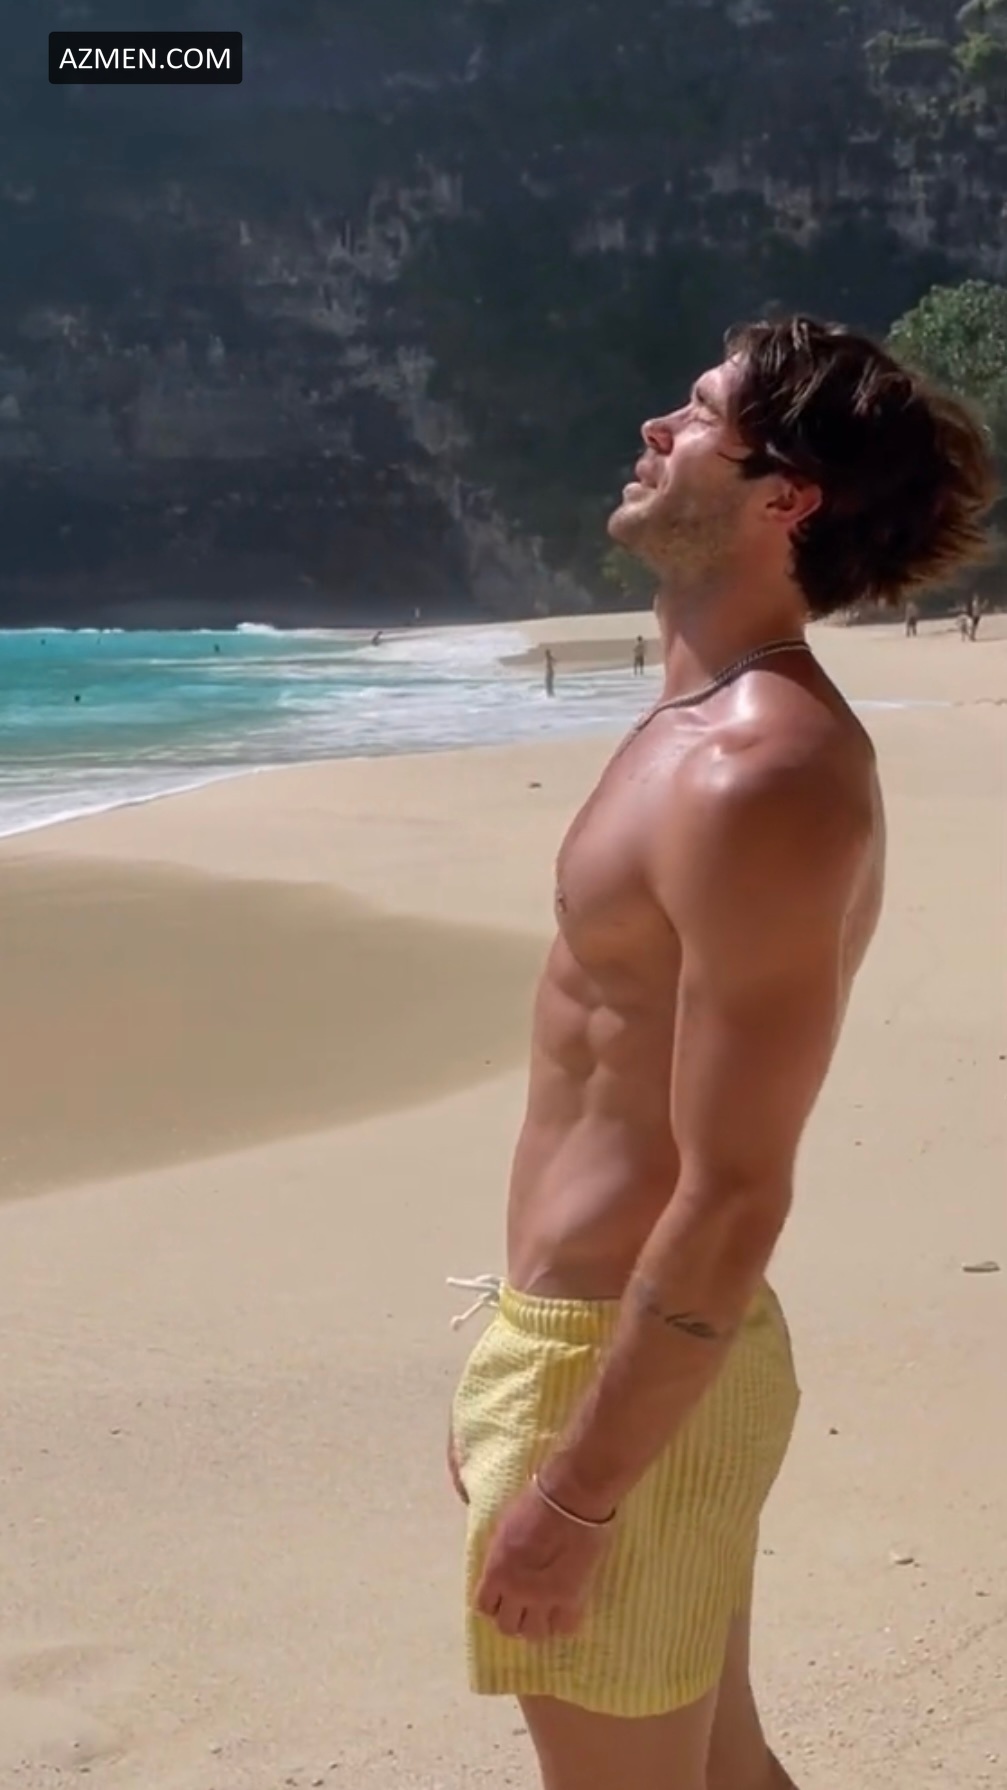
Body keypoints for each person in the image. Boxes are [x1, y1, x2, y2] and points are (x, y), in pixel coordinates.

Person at [447, 314, 994, 1790]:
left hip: (623, 1359)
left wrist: (579, 1487)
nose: (654, 429)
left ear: (785, 496)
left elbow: (738, 1186)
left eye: (696, 415)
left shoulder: (760, 769)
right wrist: (521, 1380)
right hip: (597, 1346)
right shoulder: (697, 729)